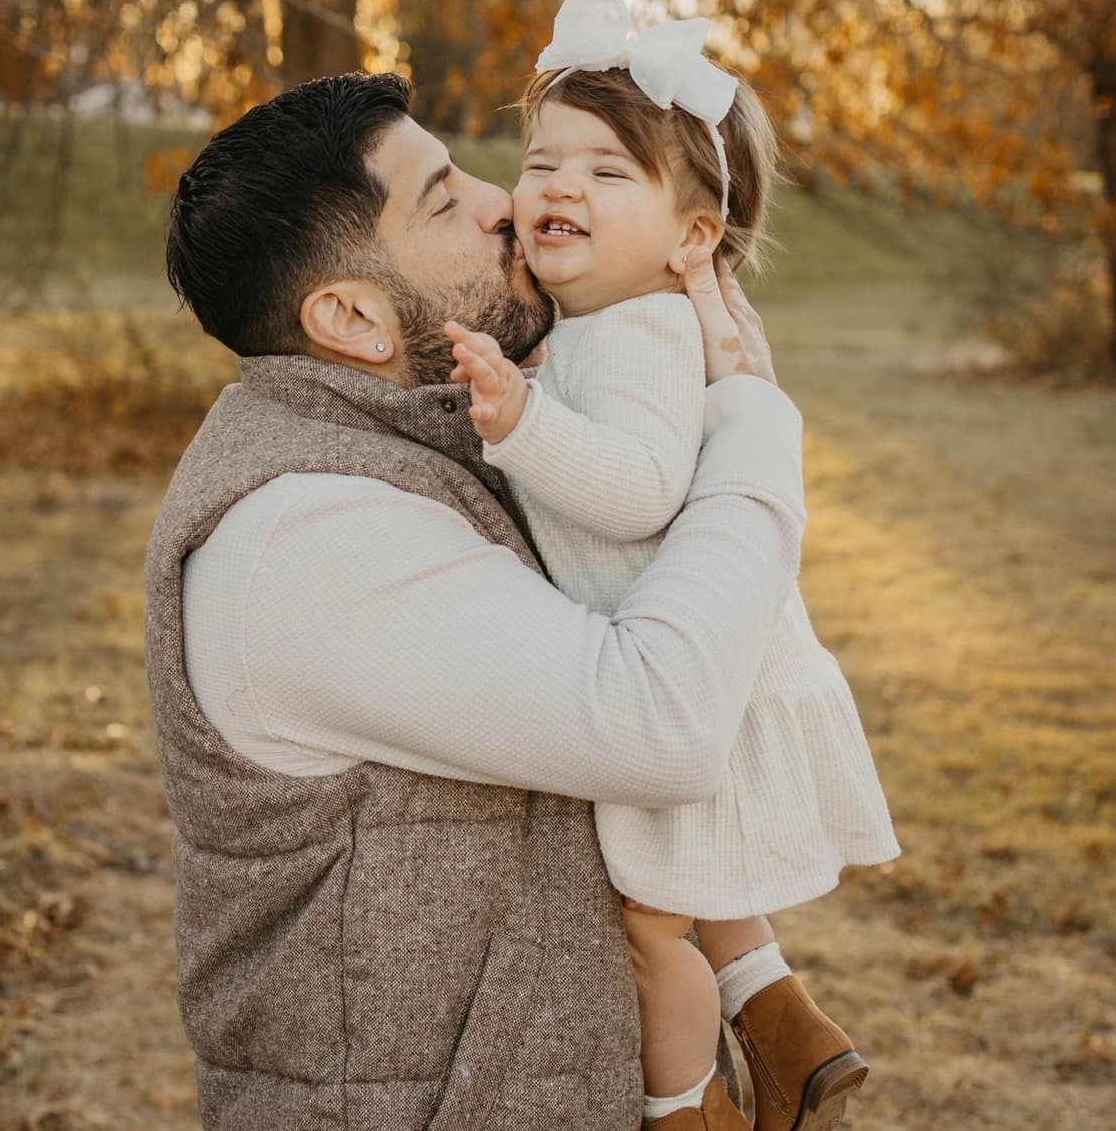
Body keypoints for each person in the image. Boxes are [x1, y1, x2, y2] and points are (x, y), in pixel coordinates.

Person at [150, 67, 807, 1131]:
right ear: (354, 317)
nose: (508, 199)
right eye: (446, 200)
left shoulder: (424, 440)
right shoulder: (307, 535)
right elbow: (661, 724)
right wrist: (754, 425)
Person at [444, 0, 899, 1131]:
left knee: (650, 922)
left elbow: (641, 487)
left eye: (606, 174)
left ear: (693, 238)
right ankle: (790, 1032)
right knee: (692, 894)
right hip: (708, 665)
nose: (556, 189)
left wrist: (519, 424)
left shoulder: (636, 334)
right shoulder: (613, 323)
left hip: (688, 681)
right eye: (544, 160)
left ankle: (684, 1108)